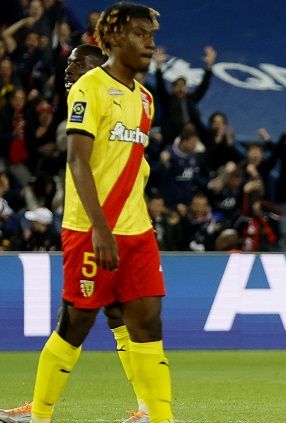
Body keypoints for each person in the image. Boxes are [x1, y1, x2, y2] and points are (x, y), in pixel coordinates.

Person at [15, 4, 173, 423]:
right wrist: (102, 229)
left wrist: (138, 221)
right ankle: (41, 413)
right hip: (91, 230)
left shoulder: (146, 99)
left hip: (136, 232)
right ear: (117, 38)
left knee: (147, 325)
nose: (151, 44)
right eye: (142, 35)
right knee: (77, 322)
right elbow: (78, 162)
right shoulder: (90, 88)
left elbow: (133, 165)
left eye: (151, 36)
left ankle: (160, 417)